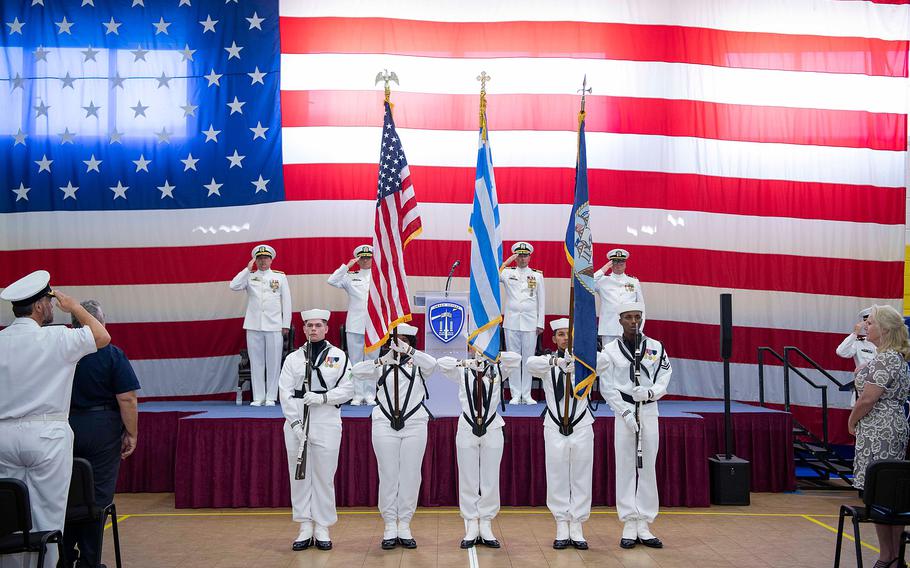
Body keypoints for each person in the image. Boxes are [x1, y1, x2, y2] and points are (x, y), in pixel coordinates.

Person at [0, 270, 110, 568]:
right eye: (49, 301)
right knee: (47, 517)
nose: (52, 306)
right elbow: (102, 336)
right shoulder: (57, 337)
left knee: (9, 518)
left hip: (4, 435)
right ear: (39, 306)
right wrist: (74, 307)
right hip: (47, 434)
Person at [63, 300, 141, 568]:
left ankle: (63, 556)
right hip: (102, 427)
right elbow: (127, 399)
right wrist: (131, 433)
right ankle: (89, 561)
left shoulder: (60, 351)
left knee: (64, 493)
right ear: (99, 323)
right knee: (97, 497)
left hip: (64, 425)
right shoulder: (111, 353)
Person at [351, 325, 436, 550]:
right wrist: (382, 360)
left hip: (415, 423)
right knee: (388, 474)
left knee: (410, 475)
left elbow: (433, 365)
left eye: (405, 339)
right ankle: (390, 524)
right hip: (384, 423)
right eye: (396, 339)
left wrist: (411, 352)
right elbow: (356, 371)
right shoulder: (381, 364)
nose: (400, 343)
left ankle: (405, 524)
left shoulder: (418, 363)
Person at [597, 302, 671, 550]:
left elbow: (665, 375)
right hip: (625, 412)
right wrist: (625, 412)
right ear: (619, 321)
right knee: (626, 466)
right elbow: (606, 387)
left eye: (637, 317)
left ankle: (645, 523)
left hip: (649, 410)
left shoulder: (655, 347)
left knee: (647, 466)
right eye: (628, 317)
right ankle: (629, 521)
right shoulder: (609, 350)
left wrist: (651, 392)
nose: (633, 321)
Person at [279, 309, 353, 552]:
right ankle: (304, 525)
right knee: (299, 475)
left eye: (318, 325)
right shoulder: (293, 358)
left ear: (326, 328)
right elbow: (285, 392)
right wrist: (295, 424)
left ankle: (322, 525)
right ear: (303, 329)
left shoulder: (339, 356)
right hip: (297, 422)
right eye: (309, 325)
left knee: (323, 475)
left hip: (326, 419)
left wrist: (323, 398)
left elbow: (348, 389)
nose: (313, 329)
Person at [437, 349, 521, 549]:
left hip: (492, 427)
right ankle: (471, 523)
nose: (480, 351)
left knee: (490, 478)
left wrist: (494, 356)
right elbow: (442, 363)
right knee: (468, 478)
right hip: (467, 427)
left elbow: (516, 359)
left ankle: (486, 523)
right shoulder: (463, 371)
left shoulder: (498, 369)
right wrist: (466, 364)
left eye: (484, 346)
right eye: (476, 347)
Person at [847, 304, 910, 568]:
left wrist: (851, 421)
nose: (866, 326)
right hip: (886, 425)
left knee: (881, 494)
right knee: (888, 494)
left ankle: (887, 557)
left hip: (880, 428)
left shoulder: (886, 359)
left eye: (871, 323)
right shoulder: (891, 356)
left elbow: (868, 399)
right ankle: (893, 556)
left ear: (883, 329)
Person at [526, 318, 594, 550]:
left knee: (581, 476)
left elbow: (603, 362)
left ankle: (577, 525)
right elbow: (529, 364)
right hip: (555, 426)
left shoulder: (586, 360)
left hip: (582, 425)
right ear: (554, 339)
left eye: (569, 334)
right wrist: (557, 361)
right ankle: (561, 524)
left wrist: (579, 359)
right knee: (556, 476)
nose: (565, 338)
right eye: (561, 334)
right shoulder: (547, 361)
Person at [230, 244, 292, 406]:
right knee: (256, 362)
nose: (263, 261)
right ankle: (258, 397)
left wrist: (286, 324)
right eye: (259, 258)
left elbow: (287, 302)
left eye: (266, 258)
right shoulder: (249, 276)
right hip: (253, 325)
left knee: (273, 362)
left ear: (271, 260)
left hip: (274, 325)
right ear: (255, 260)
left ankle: (271, 396)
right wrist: (246, 270)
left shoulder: (280, 277)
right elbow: (233, 286)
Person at [327, 244, 376, 405]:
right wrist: (347, 266)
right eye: (362, 258)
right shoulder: (350, 276)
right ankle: (357, 394)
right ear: (358, 259)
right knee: (355, 361)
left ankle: (370, 394)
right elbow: (332, 280)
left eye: (368, 257)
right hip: (355, 324)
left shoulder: (379, 277)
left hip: (374, 326)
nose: (365, 260)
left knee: (371, 361)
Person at [500, 241, 545, 405]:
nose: (522, 258)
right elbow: (492, 274)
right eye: (519, 255)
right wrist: (506, 262)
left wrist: (540, 323)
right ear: (515, 256)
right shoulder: (507, 273)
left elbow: (542, 301)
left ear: (529, 257)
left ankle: (526, 394)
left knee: (528, 359)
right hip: (511, 321)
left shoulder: (537, 276)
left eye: (525, 255)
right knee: (513, 358)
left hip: (530, 322)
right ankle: (514, 393)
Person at [594, 248, 644, 347]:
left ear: (625, 264)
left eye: (621, 262)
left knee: (629, 358)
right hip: (609, 329)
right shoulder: (602, 281)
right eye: (615, 262)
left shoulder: (633, 282)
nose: (618, 265)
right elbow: (586, 283)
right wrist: (603, 269)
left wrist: (639, 328)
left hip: (629, 328)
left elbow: (641, 307)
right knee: (607, 359)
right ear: (611, 264)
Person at [836, 307, 877, 373]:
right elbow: (841, 352)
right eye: (865, 323)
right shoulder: (859, 342)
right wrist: (855, 333)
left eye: (869, 323)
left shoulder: (890, 343)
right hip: (864, 382)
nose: (866, 327)